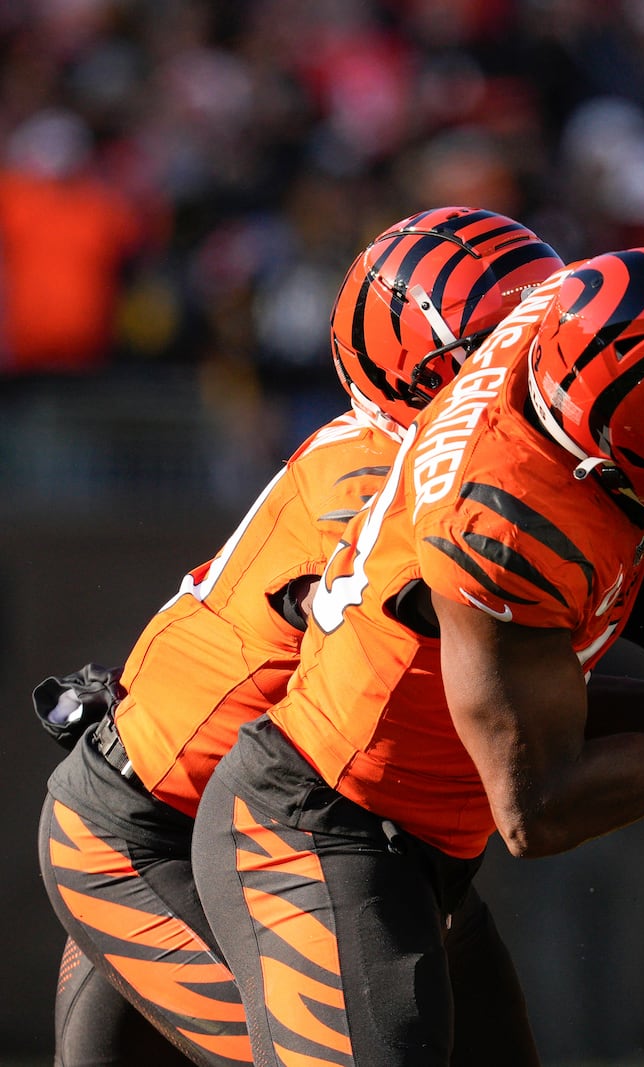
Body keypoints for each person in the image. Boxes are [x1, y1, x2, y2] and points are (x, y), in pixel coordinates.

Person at [183, 244, 644, 1067]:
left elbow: (604, 668)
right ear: (635, 450)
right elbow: (538, 808)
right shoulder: (509, 531)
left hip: (418, 834)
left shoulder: (570, 331)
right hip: (324, 835)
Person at [37, 206, 566, 1066]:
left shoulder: (434, 462)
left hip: (339, 841)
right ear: (428, 371)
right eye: (514, 345)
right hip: (166, 833)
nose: (551, 367)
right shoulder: (383, 486)